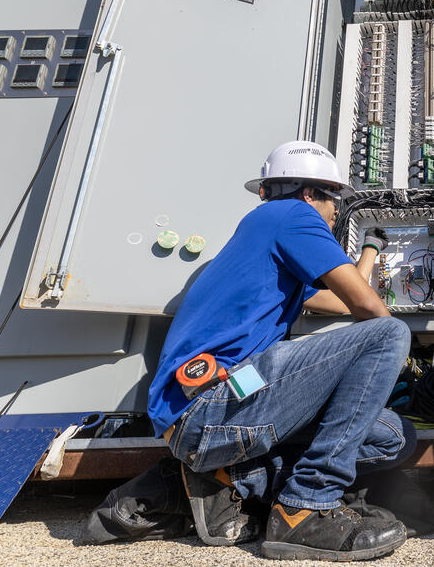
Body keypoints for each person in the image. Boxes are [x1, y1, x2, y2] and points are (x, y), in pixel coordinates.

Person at [147, 140, 412, 562]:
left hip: (227, 405)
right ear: (311, 193)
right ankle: (306, 507)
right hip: (211, 403)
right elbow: (371, 313)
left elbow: (346, 299)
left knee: (393, 436)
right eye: (334, 201)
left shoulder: (268, 233)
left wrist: (370, 252)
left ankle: (231, 479)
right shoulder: (292, 215)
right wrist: (400, 360)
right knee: (389, 334)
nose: (334, 213)